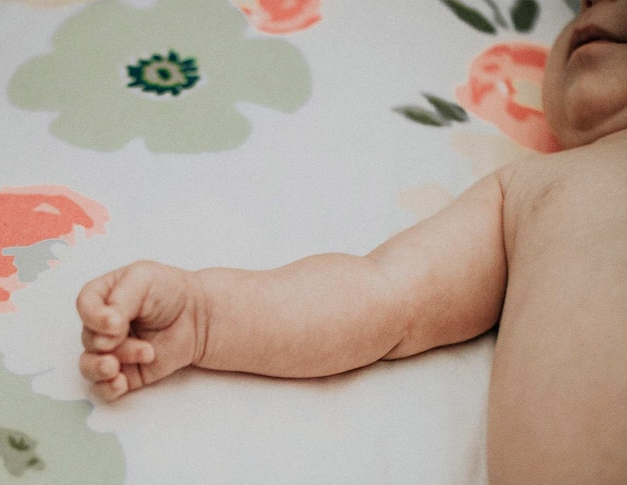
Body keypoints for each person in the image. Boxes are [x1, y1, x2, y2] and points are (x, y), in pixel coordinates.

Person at [77, 0, 627, 481]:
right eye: (583, 3)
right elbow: (380, 297)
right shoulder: (530, 193)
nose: (593, 13)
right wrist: (206, 316)